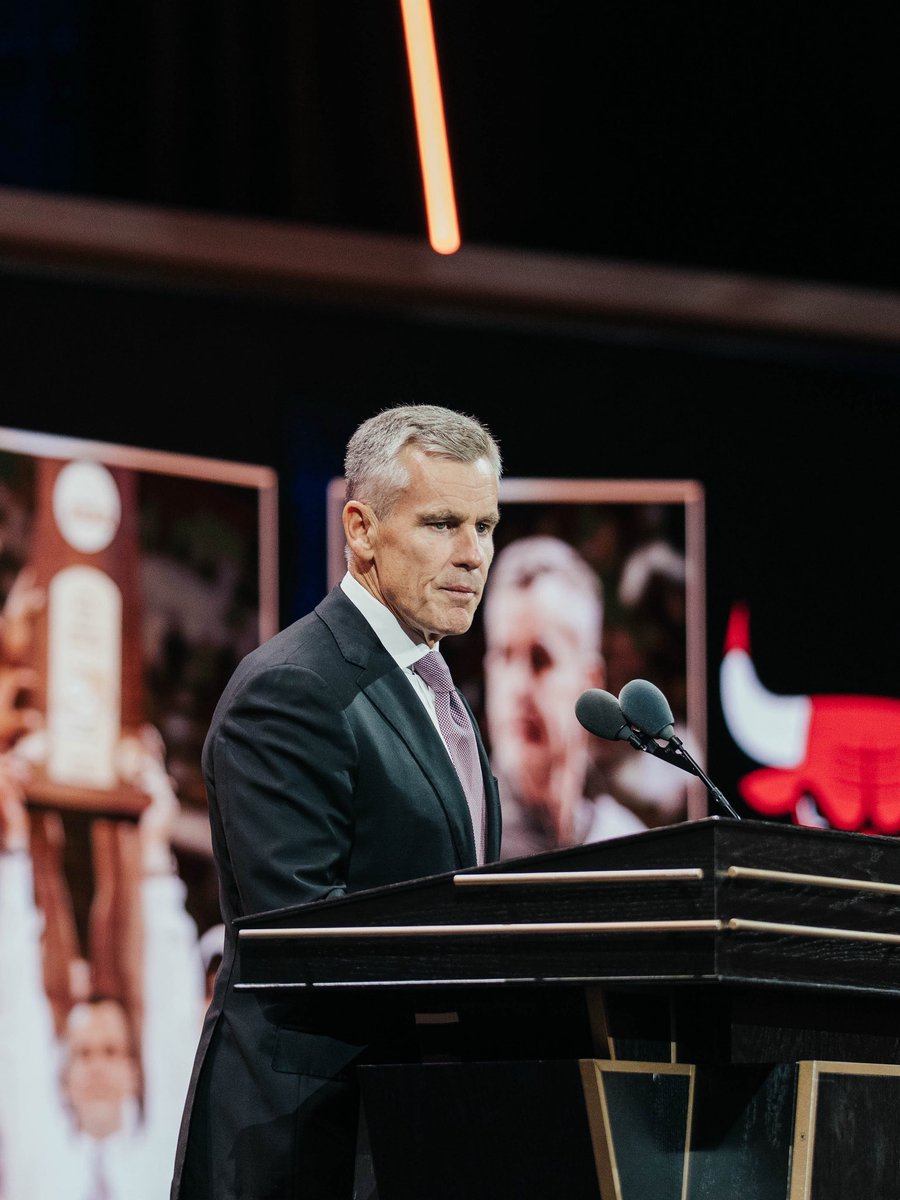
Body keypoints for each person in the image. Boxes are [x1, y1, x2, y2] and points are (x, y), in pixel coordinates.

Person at [170, 403, 504, 1200]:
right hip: (302, 1145)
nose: (472, 556)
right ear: (360, 529)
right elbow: (305, 937)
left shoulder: (432, 685)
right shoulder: (294, 688)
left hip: (403, 1131)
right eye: (442, 524)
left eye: (487, 527)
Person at [0, 729, 206, 1200]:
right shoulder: (34, 1142)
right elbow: (16, 1009)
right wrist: (13, 846)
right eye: (85, 1054)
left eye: (112, 1052)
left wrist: (154, 844)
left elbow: (171, 1010)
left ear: (137, 1070)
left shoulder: (167, 1149)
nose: (96, 1067)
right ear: (62, 1073)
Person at [481, 535, 647, 861]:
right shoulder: (462, 844)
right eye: (504, 657)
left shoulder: (629, 848)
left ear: (590, 682)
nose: (517, 686)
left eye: (540, 659)